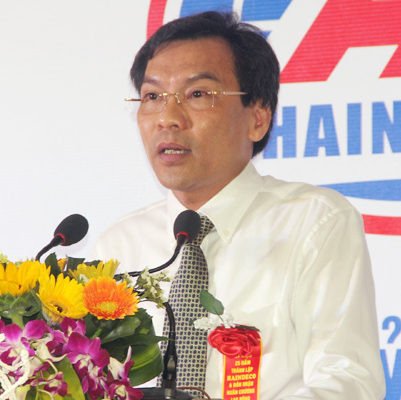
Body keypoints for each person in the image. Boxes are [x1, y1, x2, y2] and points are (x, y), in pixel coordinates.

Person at [92, 11, 385, 399]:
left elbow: (348, 380)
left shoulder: (314, 222)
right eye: (152, 97)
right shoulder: (119, 246)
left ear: (258, 118)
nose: (167, 118)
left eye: (198, 94)